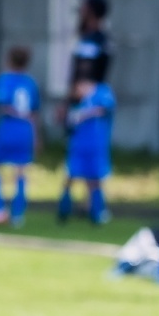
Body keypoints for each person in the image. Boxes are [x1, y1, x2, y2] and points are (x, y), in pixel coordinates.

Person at [0, 45, 41, 227]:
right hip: (26, 129)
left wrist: (16, 114)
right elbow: (34, 112)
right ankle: (17, 215)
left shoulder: (4, 80)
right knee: (21, 171)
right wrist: (37, 136)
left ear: (9, 60)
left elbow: (3, 105)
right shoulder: (31, 83)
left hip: (9, 127)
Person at [57, 77, 115, 225]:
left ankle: (96, 213)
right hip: (78, 145)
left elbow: (104, 109)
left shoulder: (101, 92)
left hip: (95, 144)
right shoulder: (73, 104)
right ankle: (64, 211)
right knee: (70, 177)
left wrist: (84, 114)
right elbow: (64, 121)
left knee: (94, 179)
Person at [71, 0, 112, 84]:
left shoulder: (95, 42)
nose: (80, 11)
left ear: (91, 12)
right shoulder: (85, 39)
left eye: (84, 8)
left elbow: (85, 76)